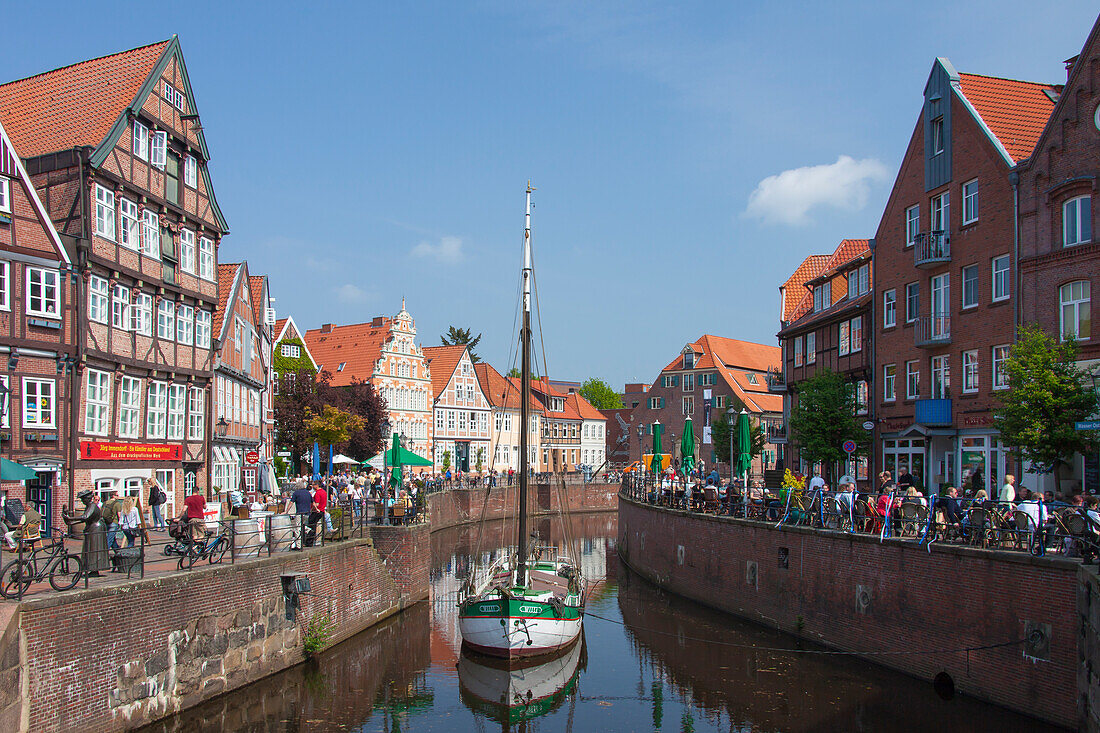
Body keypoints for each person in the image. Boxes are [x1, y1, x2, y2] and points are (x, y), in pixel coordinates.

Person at [62, 490, 108, 575]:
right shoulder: (89, 506)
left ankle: (94, 569)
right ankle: (92, 569)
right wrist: (71, 522)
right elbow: (85, 519)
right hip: (92, 528)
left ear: (87, 499)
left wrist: (70, 518)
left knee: (94, 549)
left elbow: (85, 517)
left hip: (96, 529)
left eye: (83, 500)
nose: (82, 502)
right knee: (90, 549)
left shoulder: (92, 506)